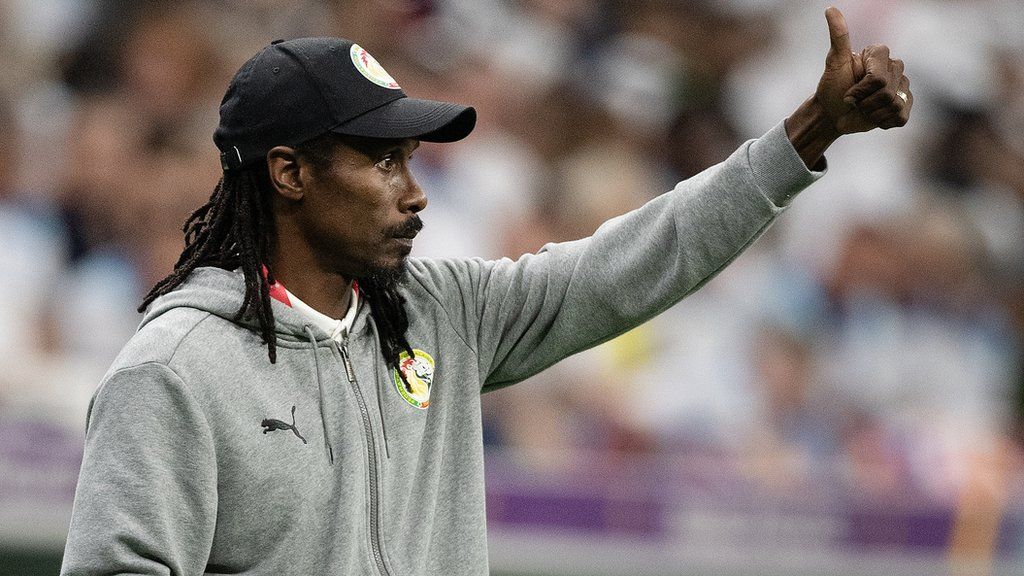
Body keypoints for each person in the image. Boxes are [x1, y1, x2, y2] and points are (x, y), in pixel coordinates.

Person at [61, 7, 911, 575]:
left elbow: (640, 258)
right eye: (381, 159)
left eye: (412, 162)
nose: (414, 190)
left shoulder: (443, 313)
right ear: (287, 172)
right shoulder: (174, 369)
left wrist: (813, 129)